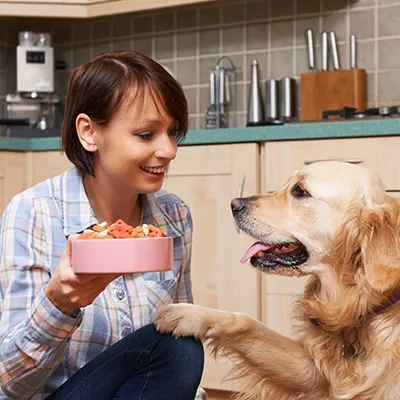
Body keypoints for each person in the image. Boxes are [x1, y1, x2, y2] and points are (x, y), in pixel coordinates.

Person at [0, 51, 205, 400]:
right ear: (89, 132)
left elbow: (171, 361)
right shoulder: (34, 213)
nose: (169, 150)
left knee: (182, 341)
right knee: (179, 348)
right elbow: (11, 385)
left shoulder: (174, 217)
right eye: (146, 134)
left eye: (172, 133)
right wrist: (59, 303)